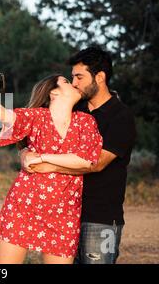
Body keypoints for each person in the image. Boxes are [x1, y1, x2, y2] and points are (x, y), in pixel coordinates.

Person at [0, 71, 103, 264]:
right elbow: (7, 116)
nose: (73, 84)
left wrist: (41, 157)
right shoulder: (36, 117)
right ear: (53, 93)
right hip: (23, 208)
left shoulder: (85, 121)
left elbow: (85, 160)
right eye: (66, 81)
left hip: (64, 214)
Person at [21, 47, 136, 264]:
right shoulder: (75, 108)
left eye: (79, 76)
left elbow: (95, 163)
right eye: (72, 76)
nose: (74, 83)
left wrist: (48, 165)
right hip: (63, 213)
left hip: (99, 217)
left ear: (100, 77)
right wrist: (26, 153)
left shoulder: (121, 117)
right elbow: (33, 128)